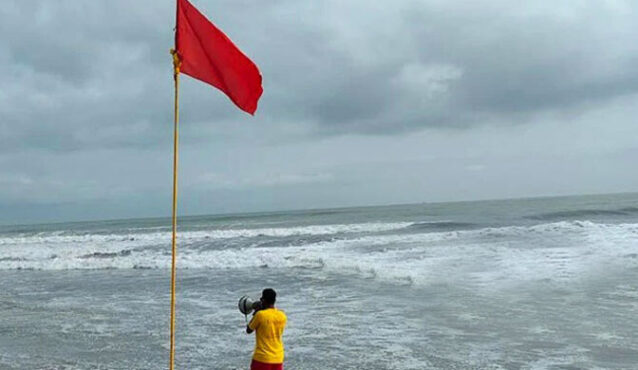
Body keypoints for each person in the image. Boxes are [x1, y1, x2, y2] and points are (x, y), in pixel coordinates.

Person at [246, 288, 287, 370]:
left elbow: (249, 330)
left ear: (263, 300)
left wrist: (256, 312)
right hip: (278, 357)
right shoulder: (282, 315)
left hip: (262, 357)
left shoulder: (260, 315)